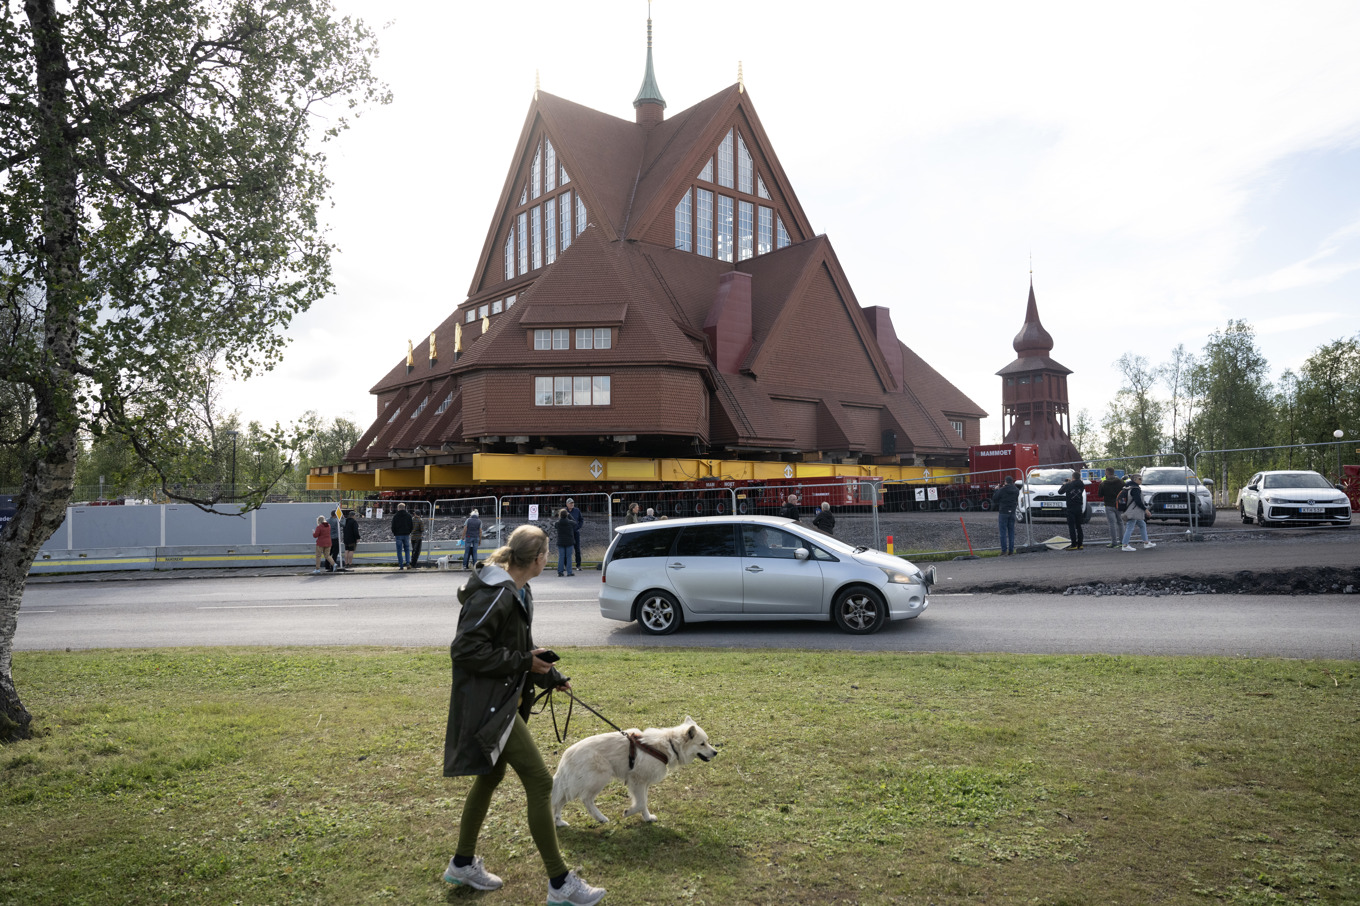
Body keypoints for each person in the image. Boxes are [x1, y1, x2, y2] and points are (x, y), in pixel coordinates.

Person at [441, 525, 606, 906]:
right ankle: (560, 884)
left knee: (490, 777)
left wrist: (549, 674)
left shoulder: (520, 590)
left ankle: (462, 863)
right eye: (546, 555)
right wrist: (522, 661)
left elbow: (519, 647)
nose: (547, 560)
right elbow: (464, 651)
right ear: (537, 559)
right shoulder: (495, 595)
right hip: (488, 707)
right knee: (541, 782)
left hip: (503, 700)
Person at [1120, 473, 1156, 551]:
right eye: (1139, 479)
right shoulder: (1135, 488)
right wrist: (1146, 509)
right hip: (1134, 511)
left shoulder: (1129, 487)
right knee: (1130, 527)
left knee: (1142, 524)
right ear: (1134, 479)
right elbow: (1138, 501)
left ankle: (1146, 542)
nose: (1141, 480)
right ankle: (1125, 545)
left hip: (1133, 511)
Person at [991, 475, 1021, 555]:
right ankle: (1011, 550)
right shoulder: (1016, 490)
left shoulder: (1002, 490)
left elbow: (995, 498)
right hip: (1012, 512)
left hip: (1003, 512)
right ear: (1012, 482)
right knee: (1011, 531)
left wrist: (996, 490)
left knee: (1003, 532)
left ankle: (1004, 550)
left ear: (1005, 482)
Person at [1058, 470, 1086, 551]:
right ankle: (1080, 544)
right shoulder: (1081, 484)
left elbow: (1060, 492)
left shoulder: (1068, 485)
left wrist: (1065, 484)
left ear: (1072, 477)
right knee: (1078, 526)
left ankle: (1073, 544)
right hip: (1079, 507)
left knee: (1071, 527)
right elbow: (1077, 484)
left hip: (1071, 507)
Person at [1098, 467, 1125, 548]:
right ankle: (1122, 541)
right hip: (1118, 504)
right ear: (1113, 472)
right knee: (1120, 522)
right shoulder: (1121, 482)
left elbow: (1100, 495)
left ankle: (1114, 542)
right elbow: (1124, 491)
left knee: (1112, 524)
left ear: (1106, 473)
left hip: (1109, 505)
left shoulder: (1103, 483)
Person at [554, 508, 576, 577]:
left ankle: (560, 572)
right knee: (569, 557)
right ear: (566, 515)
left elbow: (555, 526)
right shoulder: (570, 522)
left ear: (560, 515)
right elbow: (575, 522)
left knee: (561, 557)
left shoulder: (557, 523)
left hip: (561, 541)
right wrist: (569, 515)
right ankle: (569, 572)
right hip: (569, 541)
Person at [392, 502, 414, 570]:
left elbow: (393, 527)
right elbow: (411, 526)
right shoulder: (408, 516)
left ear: (398, 508)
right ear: (404, 508)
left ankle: (401, 565)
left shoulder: (395, 516)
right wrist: (409, 532)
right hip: (406, 534)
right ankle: (407, 563)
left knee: (399, 551)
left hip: (398, 535)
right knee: (407, 549)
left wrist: (395, 533)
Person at [564, 498, 584, 571]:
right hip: (567, 533)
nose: (572, 504)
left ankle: (578, 565)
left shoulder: (577, 510)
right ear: (567, 504)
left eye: (572, 503)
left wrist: (578, 527)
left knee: (577, 549)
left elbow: (581, 520)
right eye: (570, 503)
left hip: (575, 532)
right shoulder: (564, 511)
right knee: (567, 549)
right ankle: (566, 565)